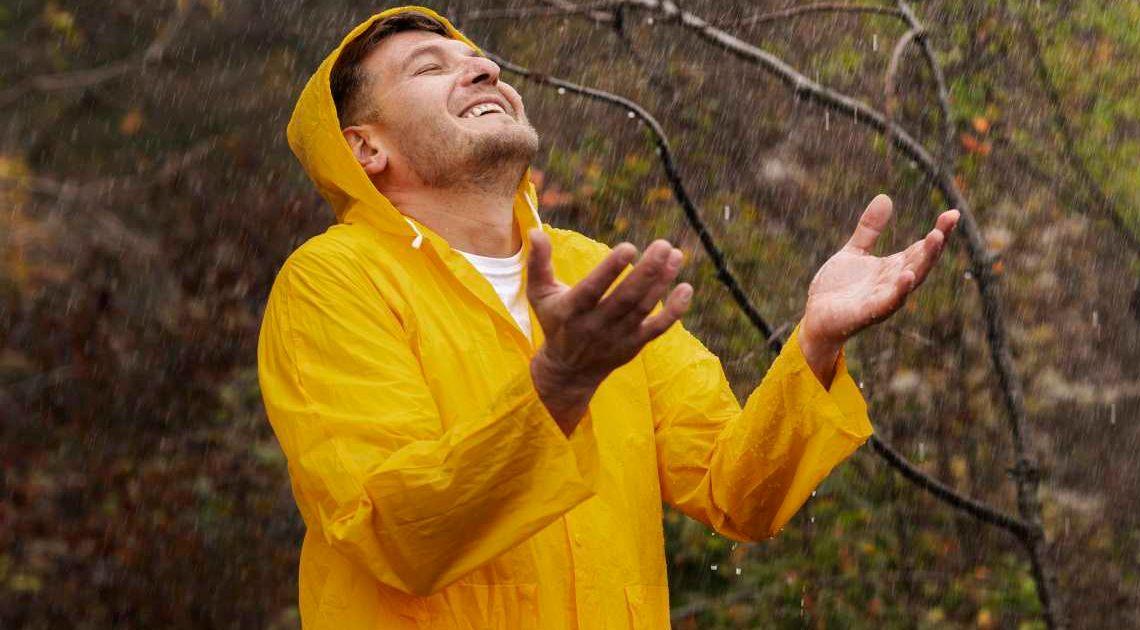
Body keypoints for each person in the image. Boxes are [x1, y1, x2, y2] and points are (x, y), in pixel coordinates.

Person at [256, 5, 960, 628]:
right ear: (365, 148)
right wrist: (558, 385)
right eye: (429, 67)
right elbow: (395, 533)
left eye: (479, 61)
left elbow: (737, 492)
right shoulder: (331, 283)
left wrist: (814, 347)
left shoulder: (591, 272)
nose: (483, 71)